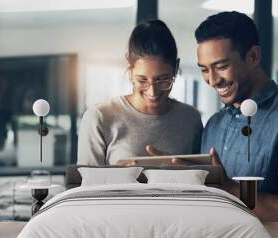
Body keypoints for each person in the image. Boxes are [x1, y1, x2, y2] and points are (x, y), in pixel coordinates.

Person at [150, 11, 278, 221]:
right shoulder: (214, 124)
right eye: (204, 70)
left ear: (253, 56)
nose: (212, 80)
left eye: (221, 66)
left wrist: (229, 189)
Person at [77, 20, 203, 165]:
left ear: (176, 68)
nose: (153, 91)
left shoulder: (190, 119)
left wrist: (183, 170)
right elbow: (85, 184)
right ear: (130, 70)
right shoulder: (100, 118)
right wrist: (117, 177)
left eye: (163, 80)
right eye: (142, 80)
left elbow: (202, 182)